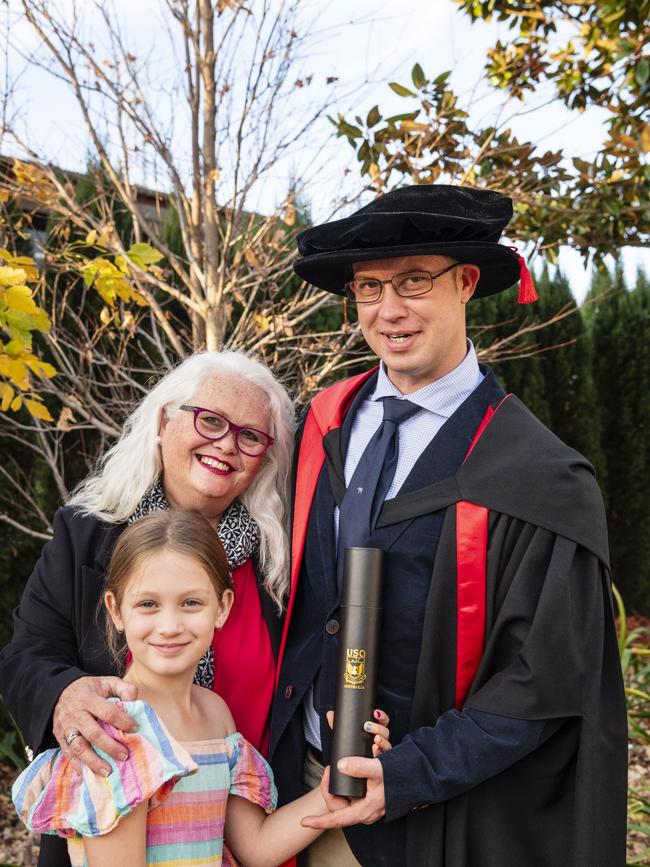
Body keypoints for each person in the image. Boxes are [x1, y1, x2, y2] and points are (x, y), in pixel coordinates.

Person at [269, 185, 628, 867]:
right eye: (369, 287)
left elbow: (545, 678)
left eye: (413, 281)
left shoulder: (537, 475)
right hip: (299, 794)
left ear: (466, 283)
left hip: (440, 819)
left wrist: (409, 773)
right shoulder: (321, 426)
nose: (389, 309)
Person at [0, 350, 296, 867]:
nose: (226, 444)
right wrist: (64, 696)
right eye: (210, 420)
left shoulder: (279, 560)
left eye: (250, 436)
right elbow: (27, 653)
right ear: (163, 421)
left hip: (240, 828)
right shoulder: (88, 533)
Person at [12, 510, 392, 866]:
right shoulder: (116, 733)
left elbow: (256, 847)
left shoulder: (215, 712)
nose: (170, 625)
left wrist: (328, 795)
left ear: (222, 607)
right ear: (115, 610)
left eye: (191, 602)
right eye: (148, 604)